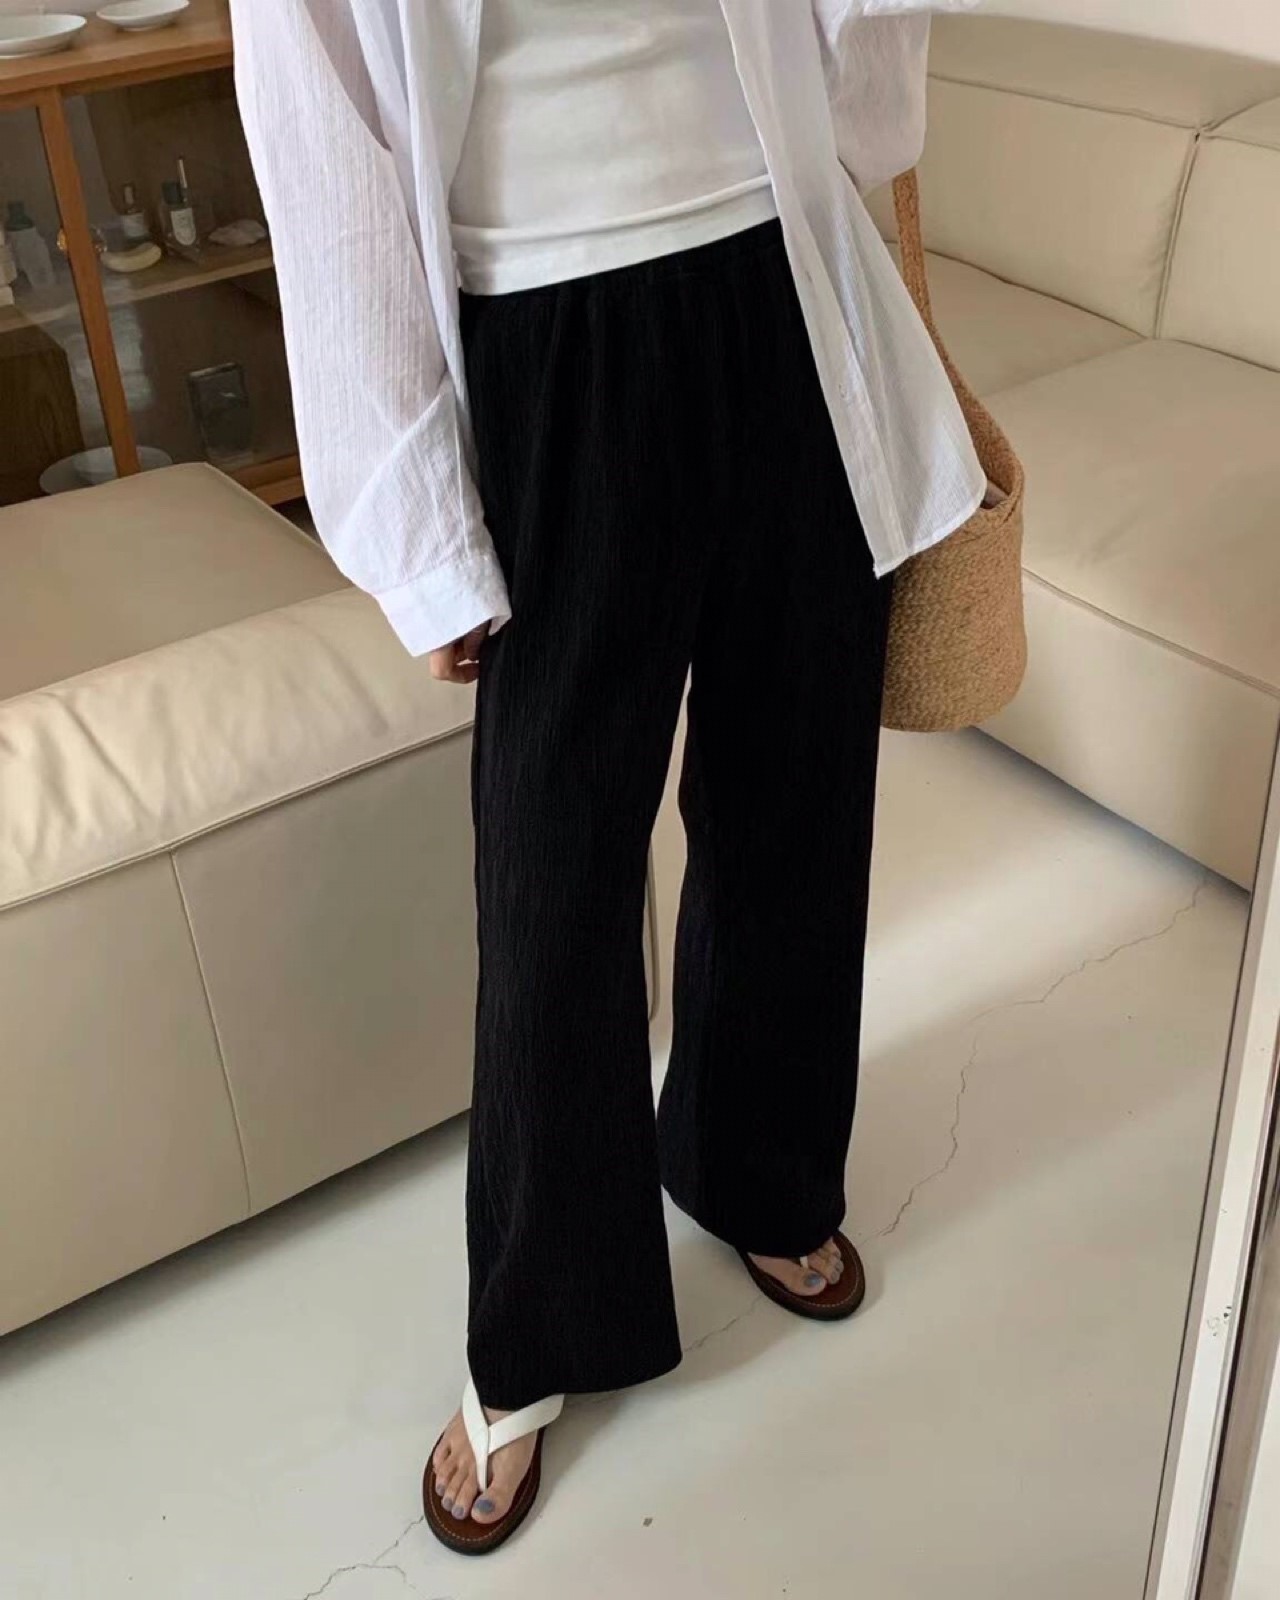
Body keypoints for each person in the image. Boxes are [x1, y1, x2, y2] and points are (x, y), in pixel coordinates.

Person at [232, 0, 984, 1556]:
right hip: (546, 325)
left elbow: (863, 68)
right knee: (554, 869)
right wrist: (415, 526)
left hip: (788, 273)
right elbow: (323, 139)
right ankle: (537, 1323)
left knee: (796, 800)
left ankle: (762, 1173)